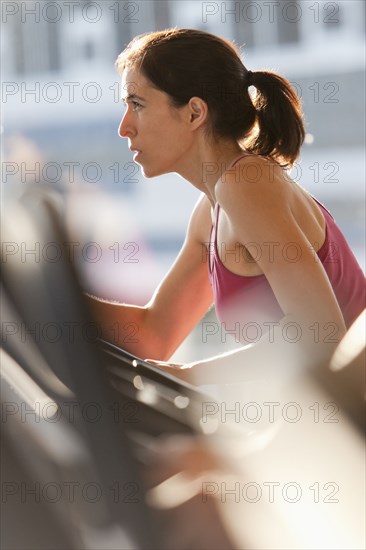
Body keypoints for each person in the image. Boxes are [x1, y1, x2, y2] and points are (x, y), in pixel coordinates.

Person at [87, 28, 365, 385]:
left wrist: (192, 375)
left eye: (137, 104)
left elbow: (320, 334)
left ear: (194, 113)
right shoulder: (212, 211)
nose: (124, 128)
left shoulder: (244, 184)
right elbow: (153, 334)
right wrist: (47, 298)